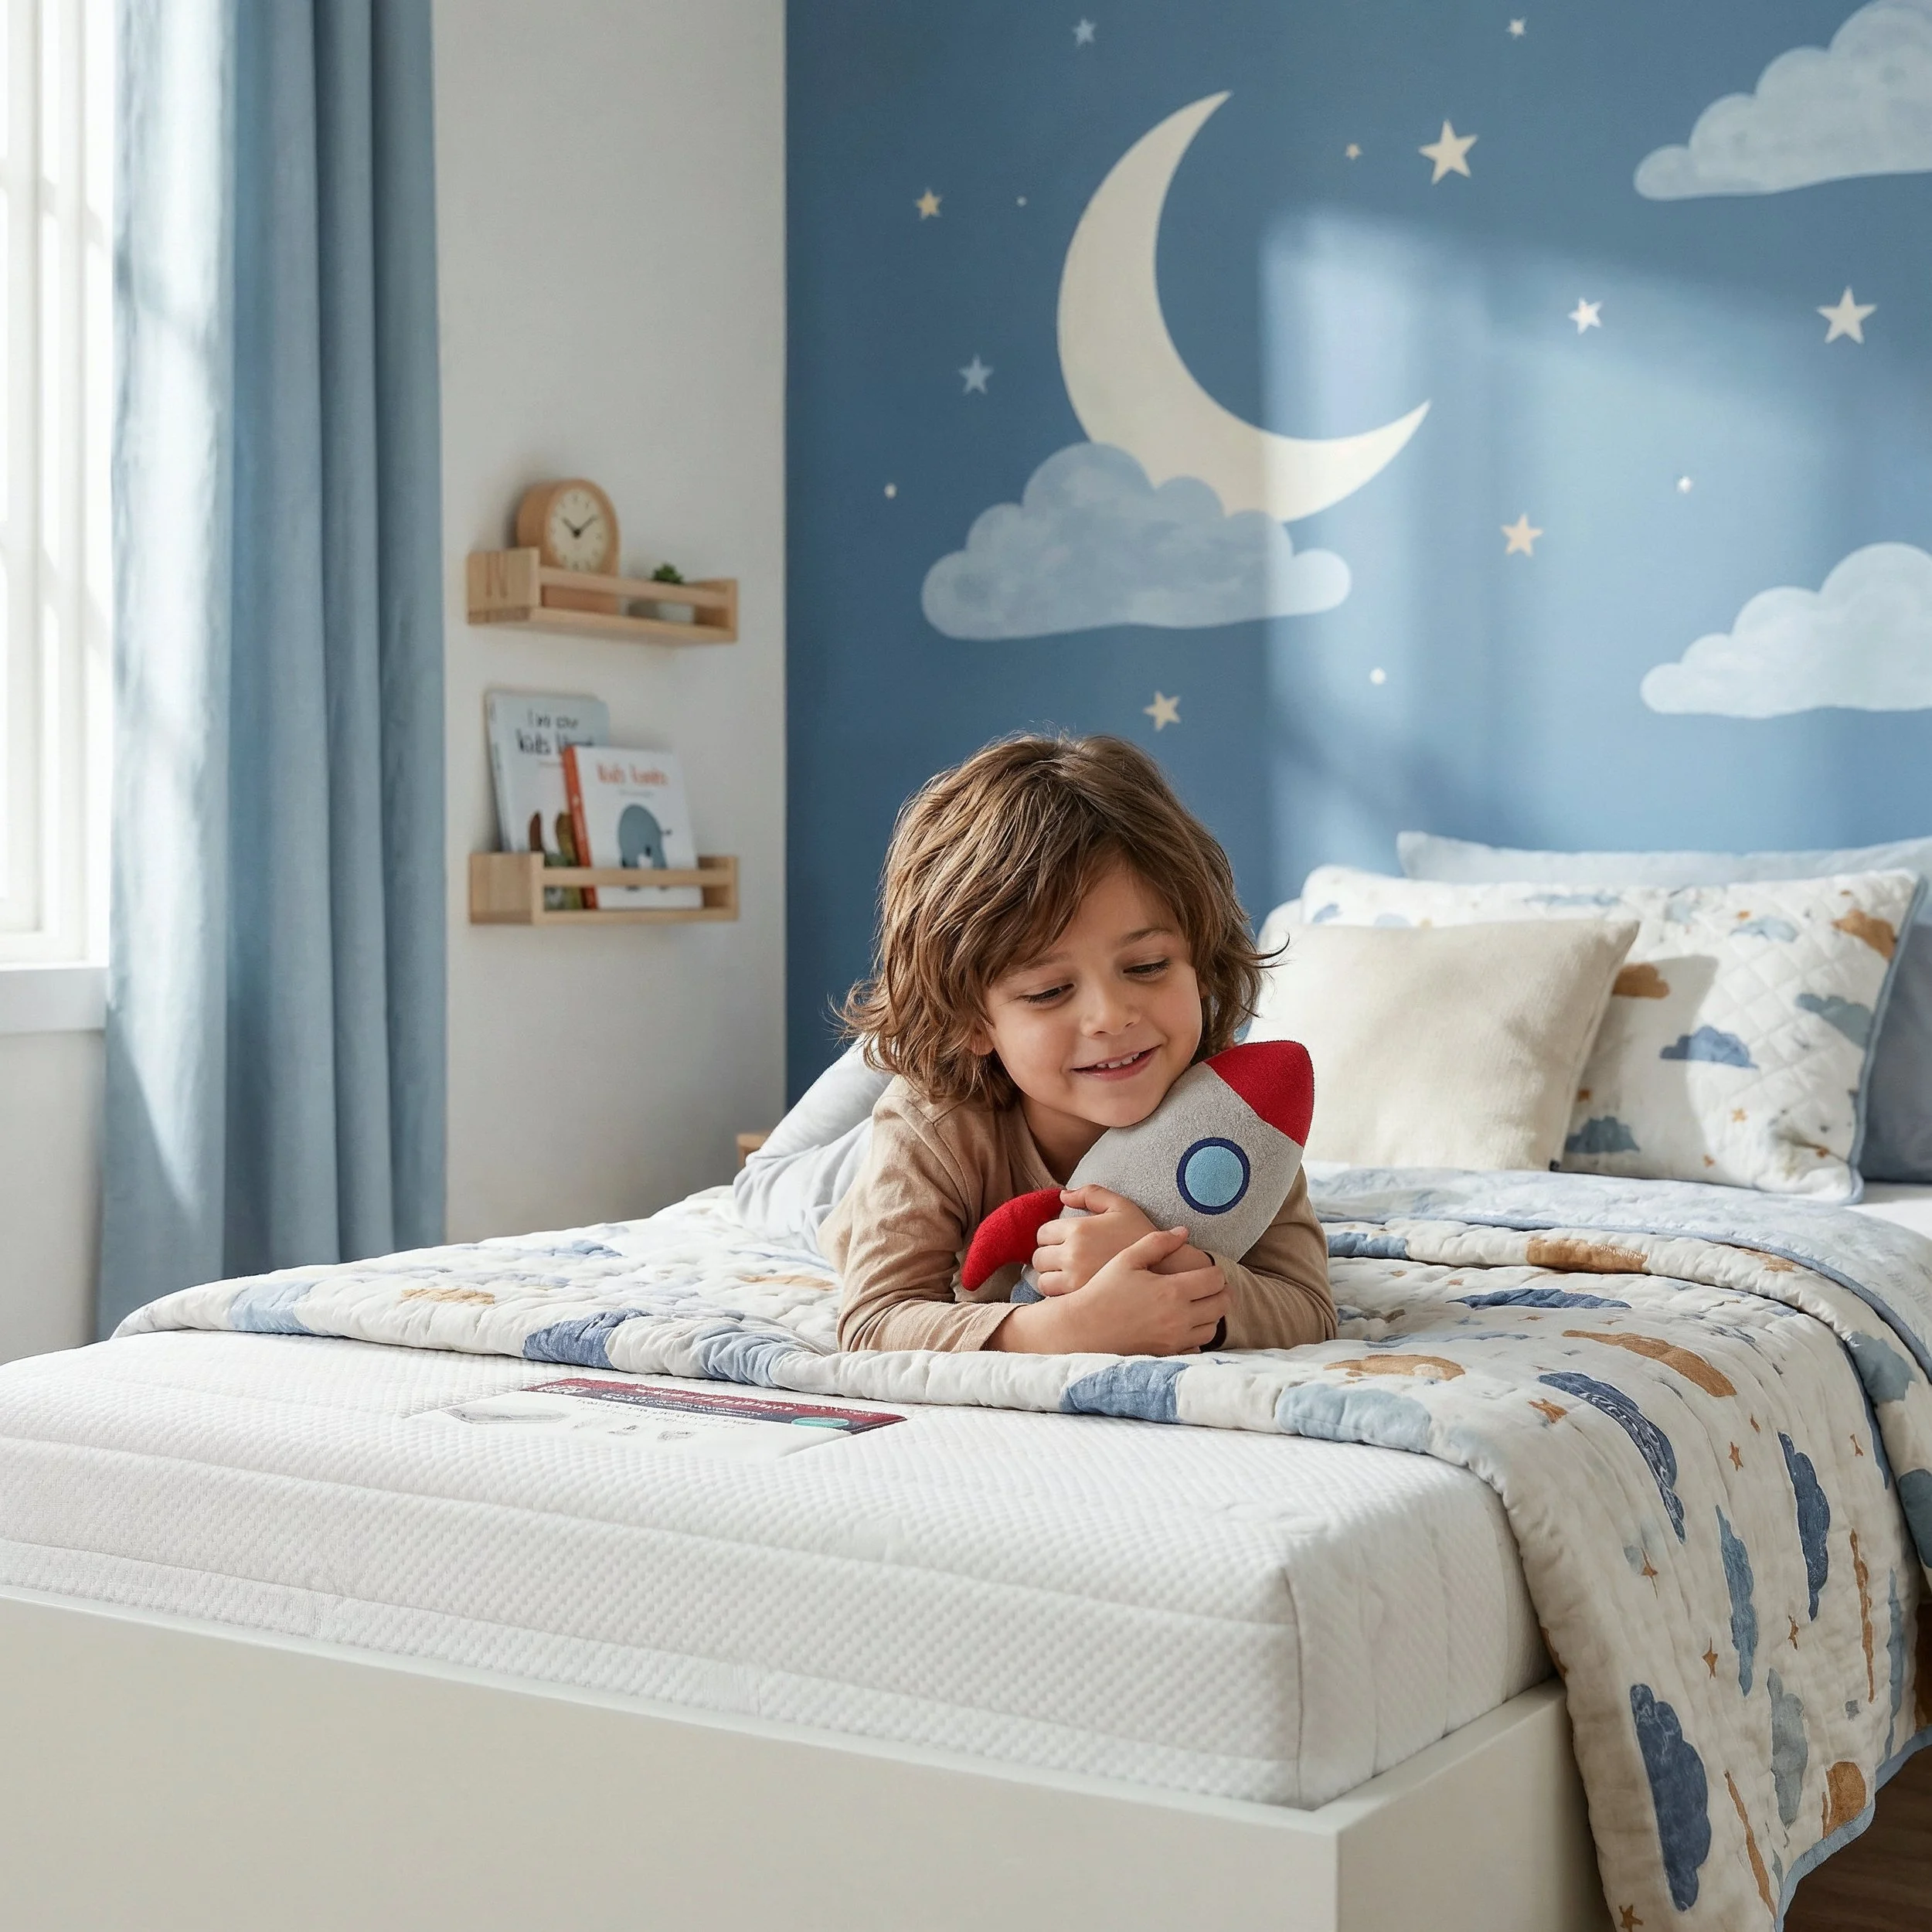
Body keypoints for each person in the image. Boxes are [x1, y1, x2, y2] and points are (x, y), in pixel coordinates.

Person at [821, 733, 1335, 1356]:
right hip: (857, 1167)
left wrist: (1175, 1269)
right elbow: (875, 1322)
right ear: (974, 1019)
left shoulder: (1235, 1110)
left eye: (1146, 967)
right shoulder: (931, 1124)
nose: (1111, 1016)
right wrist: (1064, 1331)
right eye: (1048, 991)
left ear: (1199, 962)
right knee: (776, 1183)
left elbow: (1308, 1307)